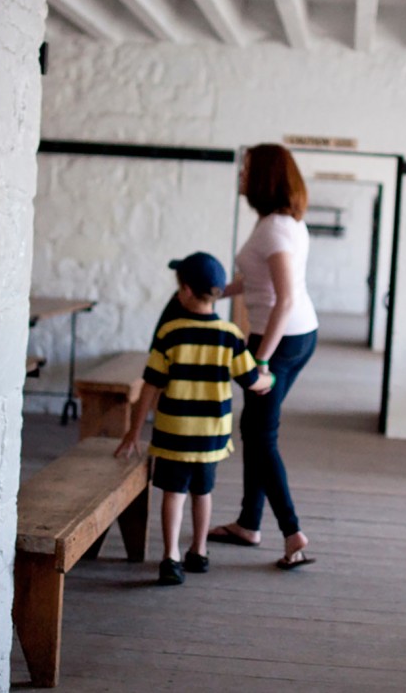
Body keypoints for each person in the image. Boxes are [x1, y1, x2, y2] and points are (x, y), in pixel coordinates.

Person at [115, 251, 273, 586]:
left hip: (173, 433)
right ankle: (199, 551)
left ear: (186, 291)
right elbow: (253, 382)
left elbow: (150, 387)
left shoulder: (170, 333)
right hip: (211, 435)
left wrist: (133, 431)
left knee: (173, 493)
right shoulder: (230, 335)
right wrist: (269, 378)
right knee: (203, 493)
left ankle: (170, 557)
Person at [208, 143, 319, 570]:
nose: (241, 175)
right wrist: (219, 291)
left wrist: (262, 363)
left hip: (279, 340)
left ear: (265, 177)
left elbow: (285, 299)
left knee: (259, 433)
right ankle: (249, 523)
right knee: (255, 427)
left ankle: (293, 535)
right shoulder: (283, 223)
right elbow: (258, 281)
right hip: (296, 335)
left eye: (248, 169)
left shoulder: (274, 228)